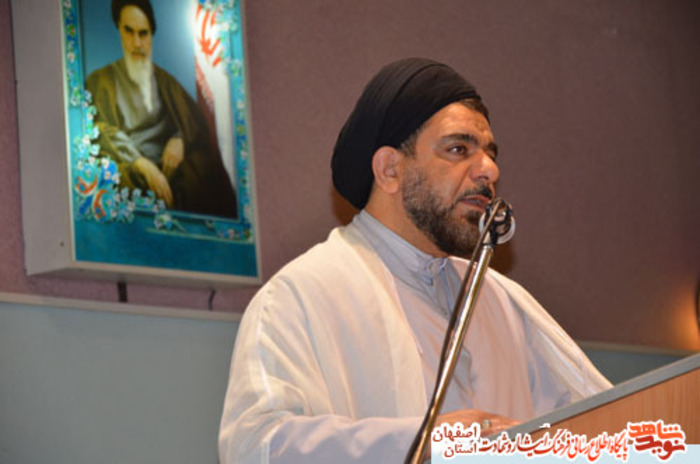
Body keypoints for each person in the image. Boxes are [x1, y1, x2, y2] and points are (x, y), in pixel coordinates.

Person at [218, 58, 612, 463]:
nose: (489, 170)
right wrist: (423, 442)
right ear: (390, 169)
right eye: (458, 149)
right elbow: (257, 446)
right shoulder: (301, 295)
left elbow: (607, 425)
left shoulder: (505, 302)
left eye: (490, 154)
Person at [85, 0, 238, 218]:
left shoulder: (166, 82)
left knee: (205, 168)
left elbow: (195, 125)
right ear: (119, 30)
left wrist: (179, 139)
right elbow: (99, 128)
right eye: (129, 32)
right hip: (132, 170)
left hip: (171, 173)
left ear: (151, 35)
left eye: (143, 34)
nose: (137, 43)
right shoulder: (100, 81)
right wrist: (141, 164)